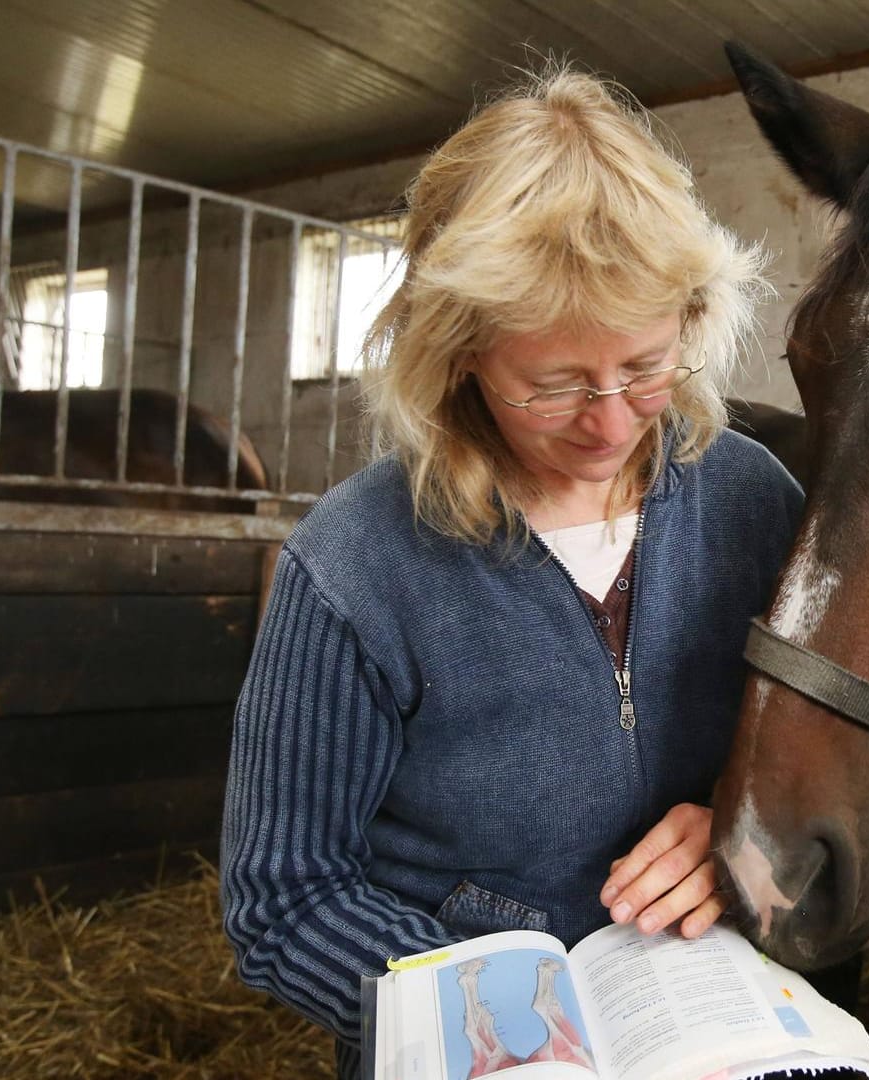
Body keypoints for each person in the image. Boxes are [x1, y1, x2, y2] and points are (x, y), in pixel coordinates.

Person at [219, 65, 802, 1078]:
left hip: (716, 1027)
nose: (612, 423)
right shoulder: (355, 564)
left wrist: (746, 830)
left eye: (646, 366)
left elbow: (830, 764)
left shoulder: (754, 502)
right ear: (458, 354)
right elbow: (282, 897)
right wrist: (505, 1023)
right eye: (556, 386)